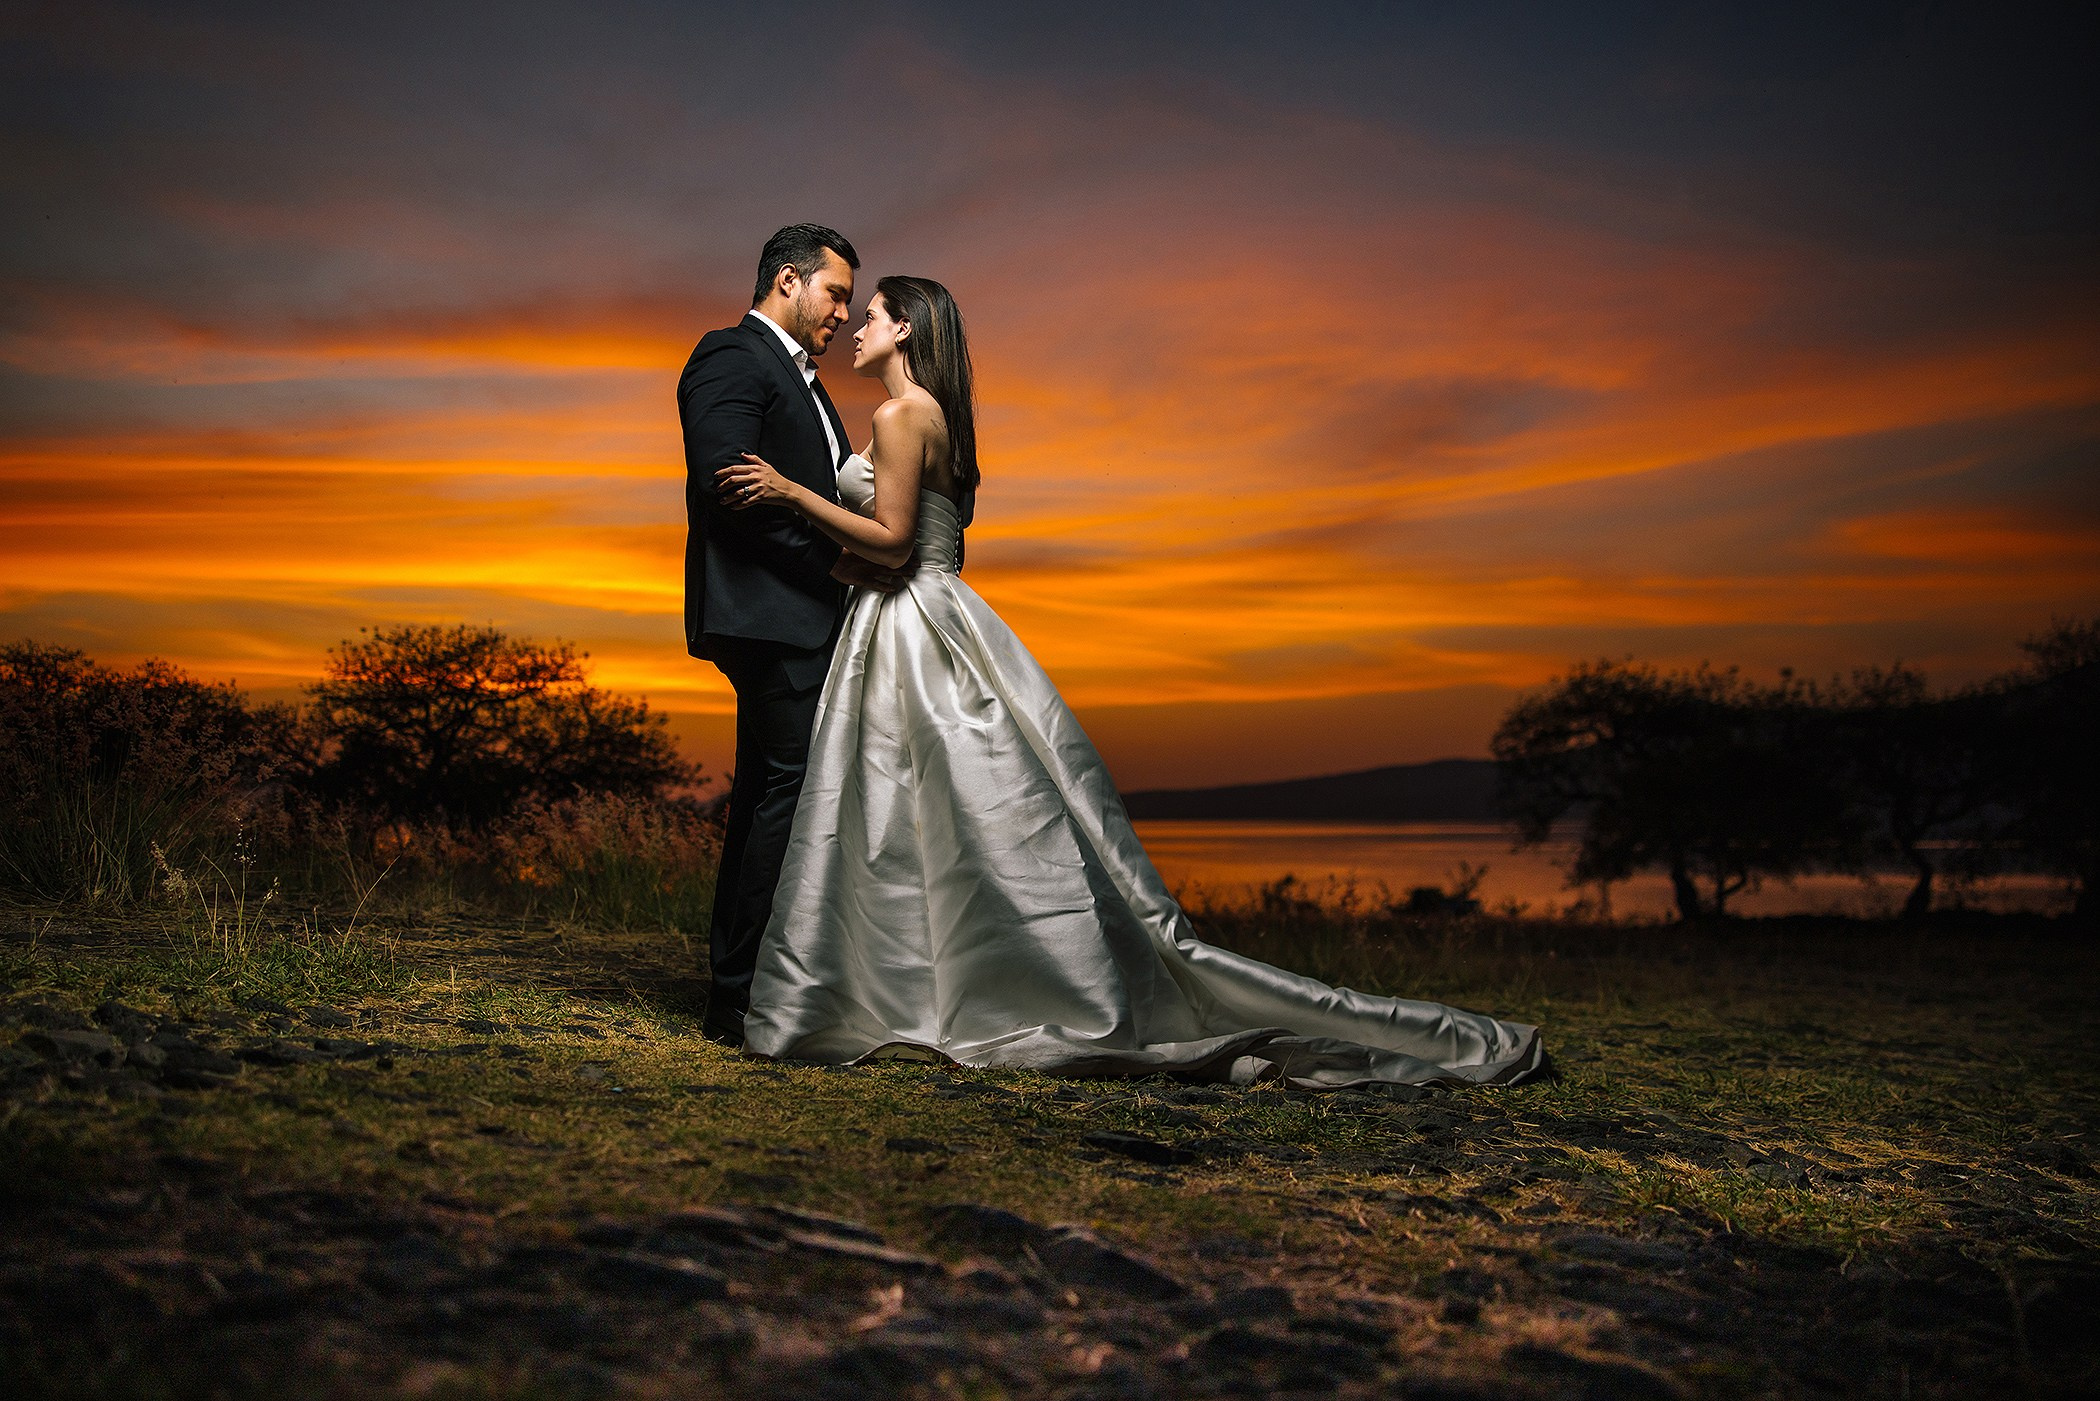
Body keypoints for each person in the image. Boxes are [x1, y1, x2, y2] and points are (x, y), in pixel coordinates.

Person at [714, 276, 1545, 1090]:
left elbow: (895, 544)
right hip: (924, 614)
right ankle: (946, 984)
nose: (856, 326)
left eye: (875, 316)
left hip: (912, 622)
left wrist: (790, 494)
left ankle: (901, 987)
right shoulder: (936, 422)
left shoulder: (902, 414)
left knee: (908, 811)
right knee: (945, 818)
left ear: (908, 331)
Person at [678, 224, 910, 1047]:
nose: (845, 314)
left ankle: (747, 987)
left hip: (796, 615)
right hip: (766, 613)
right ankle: (740, 998)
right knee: (787, 792)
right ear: (788, 280)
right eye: (836, 294)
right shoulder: (731, 356)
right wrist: (836, 570)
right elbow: (728, 485)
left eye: (853, 301)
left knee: (773, 796)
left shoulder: (807, 383)